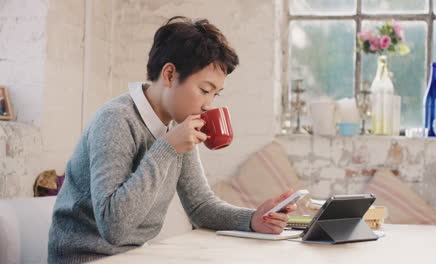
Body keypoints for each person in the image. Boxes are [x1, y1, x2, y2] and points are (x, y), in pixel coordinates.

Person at [48, 16, 297, 263]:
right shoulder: (116, 120)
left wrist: (253, 219)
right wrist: (166, 149)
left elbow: (200, 206)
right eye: (204, 90)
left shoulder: (178, 125)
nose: (208, 104)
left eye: (216, 94)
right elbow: (114, 229)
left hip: (136, 257)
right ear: (169, 75)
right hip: (86, 259)